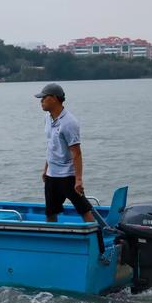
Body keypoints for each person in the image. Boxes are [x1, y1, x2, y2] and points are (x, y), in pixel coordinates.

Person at [35, 83, 95, 223]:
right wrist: (46, 169)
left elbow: (76, 153)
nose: (41, 101)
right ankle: (52, 240)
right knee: (50, 212)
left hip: (68, 176)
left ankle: (95, 237)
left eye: (44, 98)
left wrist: (78, 179)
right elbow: (51, 146)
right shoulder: (47, 119)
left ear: (54, 98)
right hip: (51, 175)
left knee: (84, 210)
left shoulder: (69, 123)